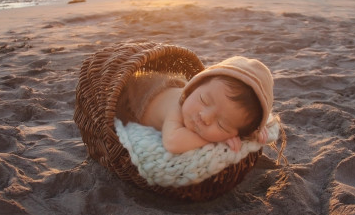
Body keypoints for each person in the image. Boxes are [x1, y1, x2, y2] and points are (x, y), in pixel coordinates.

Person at [116, 56, 274, 155]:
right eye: (204, 100)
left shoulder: (206, 105)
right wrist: (218, 139)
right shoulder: (177, 106)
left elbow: (245, 128)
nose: (205, 117)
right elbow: (172, 142)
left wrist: (251, 133)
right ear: (194, 86)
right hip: (133, 97)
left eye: (221, 124)